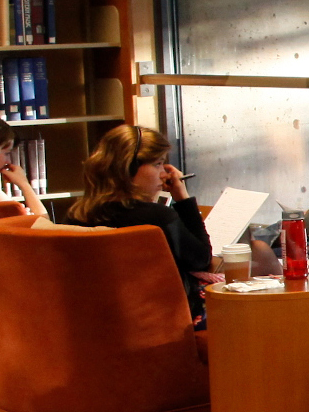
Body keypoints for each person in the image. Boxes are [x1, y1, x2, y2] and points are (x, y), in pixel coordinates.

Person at [66, 124, 215, 321]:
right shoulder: (157, 218)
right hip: (164, 320)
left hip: (95, 321)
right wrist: (183, 198)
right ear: (128, 167)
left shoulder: (76, 216)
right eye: (157, 164)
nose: (164, 173)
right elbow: (202, 259)